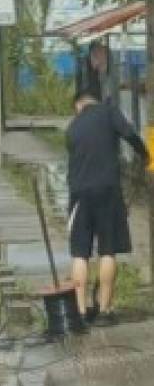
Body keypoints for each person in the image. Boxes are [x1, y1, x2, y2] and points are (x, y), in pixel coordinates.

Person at [67, 89, 149, 327]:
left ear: (78, 106)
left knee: (80, 253)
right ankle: (104, 310)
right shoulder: (109, 112)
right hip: (108, 191)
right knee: (108, 250)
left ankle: (80, 311)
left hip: (79, 194)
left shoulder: (72, 127)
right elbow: (130, 134)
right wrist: (145, 155)